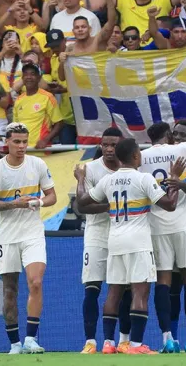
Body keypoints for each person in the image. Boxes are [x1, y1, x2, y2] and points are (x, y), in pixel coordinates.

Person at [76, 137, 182, 355]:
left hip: (114, 241)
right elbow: (170, 205)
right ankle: (135, 345)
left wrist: (80, 179)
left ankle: (108, 343)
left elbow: (83, 202)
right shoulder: (143, 178)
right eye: (139, 153)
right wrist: (175, 179)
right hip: (138, 242)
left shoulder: (108, 180)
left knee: (113, 292)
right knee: (140, 292)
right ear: (135, 156)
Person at [0, 122, 57, 354]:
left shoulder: (38, 164)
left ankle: (31, 339)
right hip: (7, 236)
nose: (22, 146)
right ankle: (14, 343)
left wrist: (39, 202)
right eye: (17, 142)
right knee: (10, 290)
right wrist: (16, 204)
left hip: (33, 233)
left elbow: (52, 195)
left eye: (25, 142)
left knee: (35, 281)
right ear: (7, 143)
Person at [139, 122, 186, 354]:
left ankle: (167, 338)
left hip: (156, 225)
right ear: (168, 135)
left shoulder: (141, 157)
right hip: (185, 224)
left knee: (163, 282)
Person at [74, 128, 123, 354]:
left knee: (121, 288)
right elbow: (81, 205)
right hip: (96, 232)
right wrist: (113, 206)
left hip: (123, 232)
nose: (109, 149)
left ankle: (120, 341)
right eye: (105, 145)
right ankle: (90, 341)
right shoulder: (91, 169)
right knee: (92, 287)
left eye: (113, 145)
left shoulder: (129, 169)